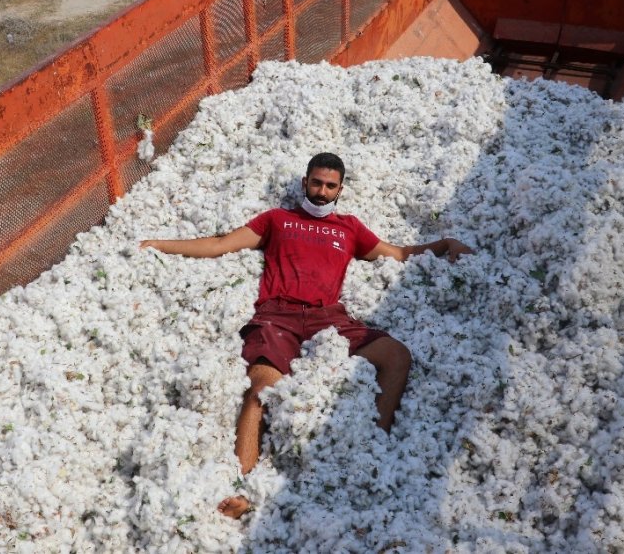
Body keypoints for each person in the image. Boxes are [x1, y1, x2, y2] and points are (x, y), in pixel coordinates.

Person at [140, 152, 473, 519]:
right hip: (276, 316)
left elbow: (397, 253)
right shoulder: (277, 220)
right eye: (316, 183)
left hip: (328, 318)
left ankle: (374, 448)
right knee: (261, 388)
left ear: (340, 190)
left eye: (330, 186)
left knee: (397, 356)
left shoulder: (349, 228)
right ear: (305, 183)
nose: (321, 191)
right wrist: (161, 245)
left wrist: (444, 245)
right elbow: (221, 243)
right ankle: (244, 486)